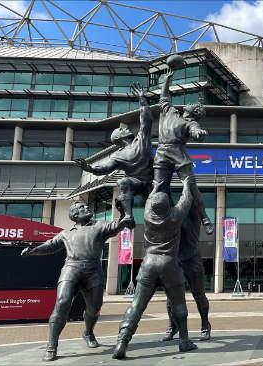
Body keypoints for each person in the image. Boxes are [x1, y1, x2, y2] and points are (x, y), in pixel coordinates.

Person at [21, 202, 131, 362]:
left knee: (95, 307)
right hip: (71, 268)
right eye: (82, 208)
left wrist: (123, 211)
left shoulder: (100, 226)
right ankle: (52, 345)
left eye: (86, 206)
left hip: (93, 270)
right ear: (75, 215)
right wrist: (33, 251)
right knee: (62, 302)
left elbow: (119, 225)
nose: (87, 208)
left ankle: (88, 332)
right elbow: (50, 246)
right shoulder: (66, 233)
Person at [113, 176, 197, 359]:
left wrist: (155, 181)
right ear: (168, 205)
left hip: (149, 263)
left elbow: (151, 198)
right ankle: (184, 340)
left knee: (136, 305)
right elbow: (186, 199)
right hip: (169, 263)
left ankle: (122, 342)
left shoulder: (148, 215)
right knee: (179, 303)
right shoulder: (175, 216)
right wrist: (185, 184)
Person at [74, 83, 153, 227]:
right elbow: (103, 169)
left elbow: (146, 119)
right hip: (139, 184)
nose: (125, 129)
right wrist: (89, 168)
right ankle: (128, 216)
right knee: (123, 182)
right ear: (119, 138)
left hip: (155, 180)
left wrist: (142, 99)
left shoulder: (140, 140)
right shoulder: (118, 155)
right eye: (122, 129)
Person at [151, 69, 213, 235]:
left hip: (178, 153)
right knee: (158, 187)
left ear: (195, 113)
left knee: (191, 187)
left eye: (195, 106)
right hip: (162, 152)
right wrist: (167, 80)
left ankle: (205, 218)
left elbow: (196, 132)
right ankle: (162, 216)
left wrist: (199, 134)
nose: (191, 104)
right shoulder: (170, 111)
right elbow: (163, 96)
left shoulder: (190, 123)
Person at [161, 190, 212, 342]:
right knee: (171, 298)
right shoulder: (173, 214)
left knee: (199, 295)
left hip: (192, 258)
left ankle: (205, 325)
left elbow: (195, 197)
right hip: (175, 259)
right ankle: (173, 325)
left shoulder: (195, 213)